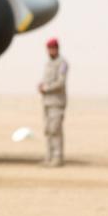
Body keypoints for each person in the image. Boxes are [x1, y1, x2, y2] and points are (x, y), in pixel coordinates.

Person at [38, 38, 68, 167]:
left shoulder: (62, 64)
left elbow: (61, 82)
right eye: (49, 48)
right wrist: (41, 87)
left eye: (52, 48)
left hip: (57, 102)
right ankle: (49, 157)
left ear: (57, 49)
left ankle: (57, 157)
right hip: (47, 102)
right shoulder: (48, 64)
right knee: (48, 130)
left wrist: (47, 88)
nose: (50, 51)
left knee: (55, 130)